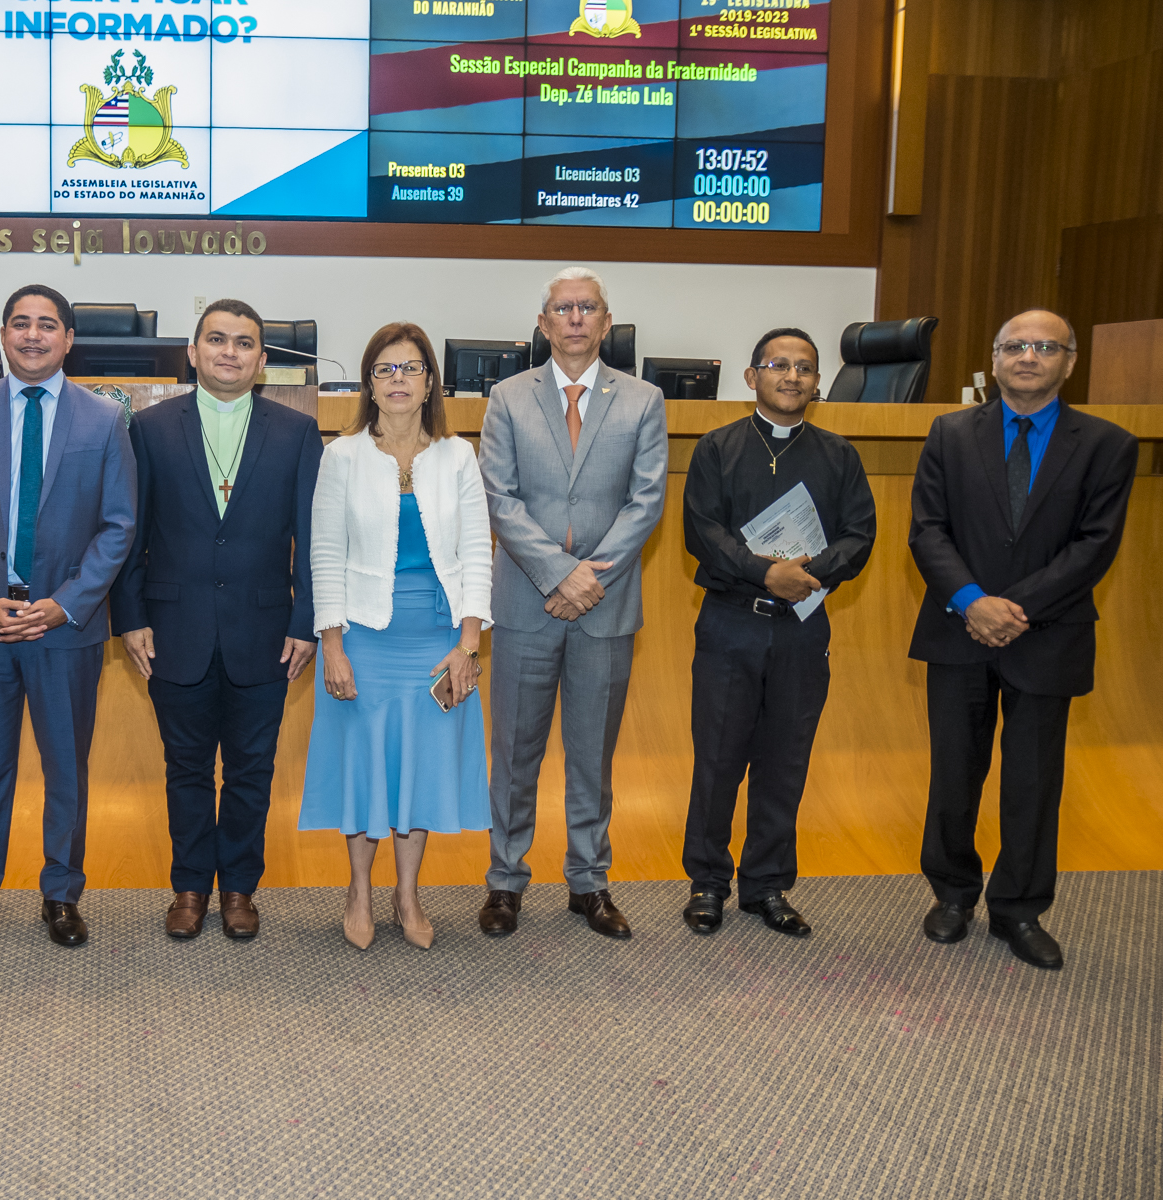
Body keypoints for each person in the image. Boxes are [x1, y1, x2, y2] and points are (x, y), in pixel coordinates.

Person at [910, 309, 1137, 971]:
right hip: (958, 629)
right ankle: (953, 893)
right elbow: (928, 531)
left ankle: (1018, 908)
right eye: (1015, 346)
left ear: (1069, 362)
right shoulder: (949, 433)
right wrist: (972, 602)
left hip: (1049, 636)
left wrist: (1016, 609)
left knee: (1033, 781)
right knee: (954, 773)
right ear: (995, 356)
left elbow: (1095, 547)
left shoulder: (1106, 444)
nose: (1028, 356)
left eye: (1045, 347)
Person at [0, 284, 137, 950]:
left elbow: (120, 525)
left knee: (67, 768)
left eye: (47, 326)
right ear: (2, 335)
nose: (33, 336)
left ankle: (61, 894)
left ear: (68, 339)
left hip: (65, 627)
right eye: (20, 324)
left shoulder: (103, 418)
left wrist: (65, 604)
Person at [110, 299, 322, 941]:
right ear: (193, 353)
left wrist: (305, 620)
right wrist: (130, 617)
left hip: (266, 630)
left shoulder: (296, 432)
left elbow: (312, 539)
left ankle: (238, 889)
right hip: (174, 630)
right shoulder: (148, 428)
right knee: (187, 768)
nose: (230, 352)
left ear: (262, 359)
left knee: (253, 770)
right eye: (217, 340)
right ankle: (189, 886)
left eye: (245, 343)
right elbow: (130, 532)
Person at [476, 266, 667, 940]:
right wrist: (560, 575)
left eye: (589, 307)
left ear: (606, 323)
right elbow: (501, 498)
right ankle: (505, 880)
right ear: (544, 322)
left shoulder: (643, 400)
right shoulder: (506, 397)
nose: (576, 318)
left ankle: (589, 881)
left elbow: (647, 502)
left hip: (605, 611)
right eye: (564, 308)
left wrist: (591, 579)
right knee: (515, 753)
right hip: (528, 603)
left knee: (593, 755)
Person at [300, 322, 493, 951]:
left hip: (437, 638)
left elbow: (476, 555)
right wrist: (331, 644)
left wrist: (469, 645)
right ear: (369, 384)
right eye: (386, 369)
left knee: (421, 770)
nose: (399, 380)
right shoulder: (343, 455)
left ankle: (407, 894)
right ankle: (358, 890)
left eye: (411, 368)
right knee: (364, 770)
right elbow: (323, 554)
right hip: (364, 638)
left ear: (431, 381)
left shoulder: (458, 455)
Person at [679, 329, 876, 938]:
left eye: (805, 368)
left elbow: (860, 534)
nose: (792, 377)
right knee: (717, 762)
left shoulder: (838, 454)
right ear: (751, 376)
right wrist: (766, 572)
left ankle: (766, 886)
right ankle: (708, 882)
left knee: (784, 762)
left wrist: (804, 577)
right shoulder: (717, 448)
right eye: (778, 365)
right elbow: (701, 532)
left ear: (818, 382)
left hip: (800, 630)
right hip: (730, 625)